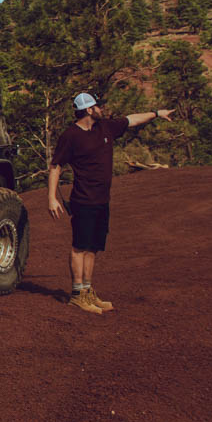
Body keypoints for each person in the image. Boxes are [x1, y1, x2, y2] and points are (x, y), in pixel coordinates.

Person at [47, 92, 172, 315]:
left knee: (93, 247)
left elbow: (132, 119)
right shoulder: (71, 136)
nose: (101, 109)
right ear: (88, 110)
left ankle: (87, 290)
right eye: (97, 106)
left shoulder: (105, 128)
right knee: (80, 247)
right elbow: (56, 166)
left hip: (102, 200)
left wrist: (156, 113)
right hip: (83, 200)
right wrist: (52, 198)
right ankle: (77, 295)